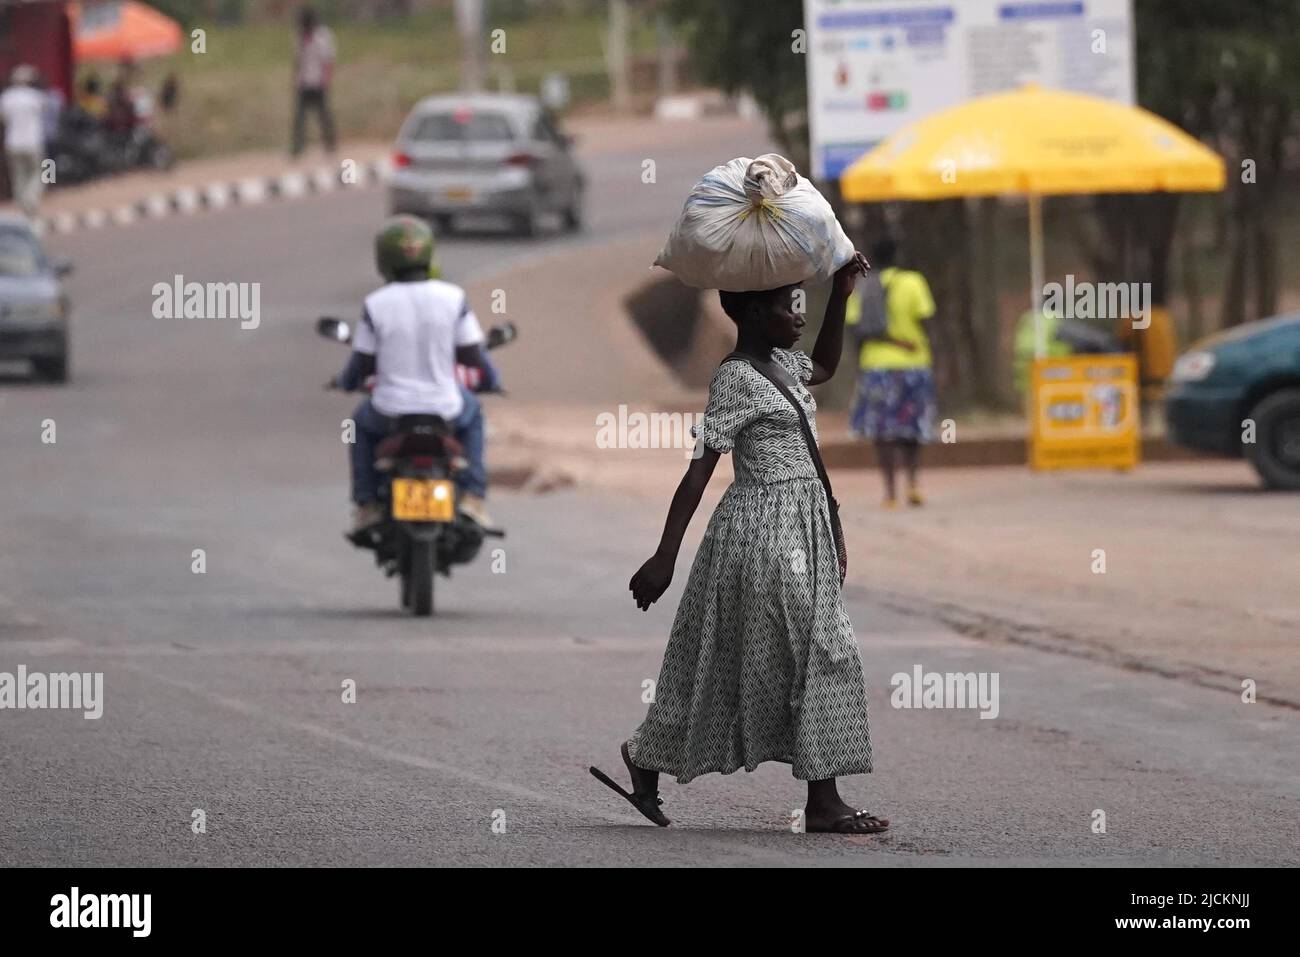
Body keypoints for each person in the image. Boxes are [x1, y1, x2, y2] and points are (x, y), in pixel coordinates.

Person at [593, 252, 891, 835]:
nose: (797, 316)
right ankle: (823, 803)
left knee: (729, 663)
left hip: (805, 523)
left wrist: (842, 292)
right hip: (763, 535)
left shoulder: (782, 360)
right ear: (754, 313)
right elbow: (699, 470)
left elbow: (825, 368)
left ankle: (646, 755)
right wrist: (664, 556)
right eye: (787, 307)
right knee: (823, 648)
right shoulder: (734, 378)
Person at [330, 215, 496, 533]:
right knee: (474, 414)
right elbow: (474, 355)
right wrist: (491, 380)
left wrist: (346, 381)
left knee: (359, 426)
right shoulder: (453, 298)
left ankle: (367, 504)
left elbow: (363, 363)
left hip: (390, 410)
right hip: (445, 407)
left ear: (383, 259)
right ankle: (473, 496)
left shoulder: (376, 304)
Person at [846, 237, 936, 508]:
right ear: (898, 255)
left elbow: (854, 327)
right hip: (913, 363)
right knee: (912, 427)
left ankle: (890, 492)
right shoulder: (913, 282)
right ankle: (913, 482)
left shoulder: (863, 286)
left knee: (882, 431)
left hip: (876, 366)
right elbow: (927, 321)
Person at [1, 66, 47, 219]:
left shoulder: (6, 98)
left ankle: (24, 204)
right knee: (38, 174)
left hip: (13, 143)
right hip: (33, 142)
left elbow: (4, 119)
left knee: (18, 176)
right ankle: (31, 201)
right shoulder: (36, 97)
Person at [291, 5, 337, 157]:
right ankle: (298, 147)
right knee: (300, 117)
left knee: (323, 116)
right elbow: (298, 60)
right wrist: (296, 78)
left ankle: (330, 144)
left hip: (318, 82)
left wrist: (326, 80)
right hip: (304, 82)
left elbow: (327, 61)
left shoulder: (322, 36)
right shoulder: (301, 37)